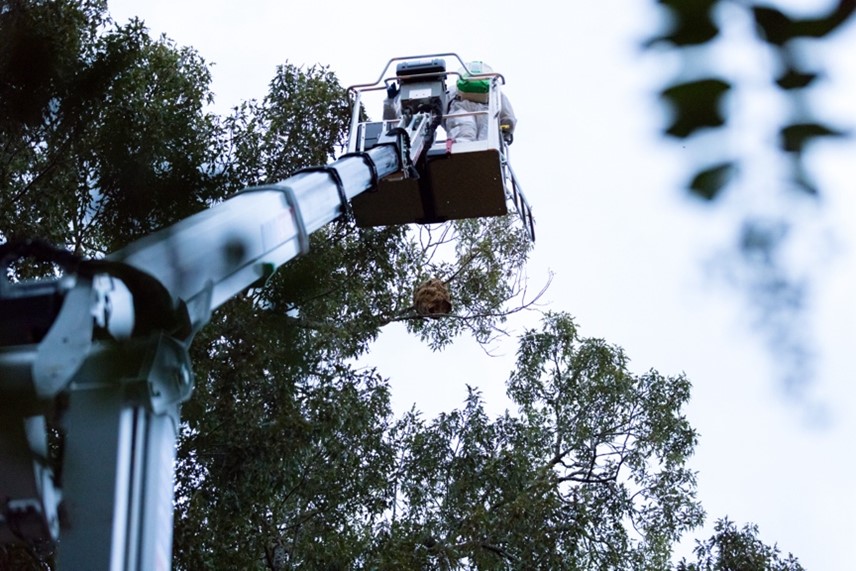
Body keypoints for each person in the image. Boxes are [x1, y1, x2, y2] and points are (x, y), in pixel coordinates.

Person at [445, 61, 517, 143]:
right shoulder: (494, 90)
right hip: (486, 114)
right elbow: (508, 117)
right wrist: (506, 132)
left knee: (464, 133)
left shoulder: (453, 89)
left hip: (460, 113)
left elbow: (440, 109)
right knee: (486, 139)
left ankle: (460, 149)